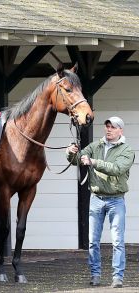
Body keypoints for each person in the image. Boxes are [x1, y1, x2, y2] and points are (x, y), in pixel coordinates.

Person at [66, 116, 135, 288]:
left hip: (116, 200)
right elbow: (77, 160)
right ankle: (95, 275)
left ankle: (117, 277)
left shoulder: (127, 150)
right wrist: (71, 152)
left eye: (113, 127)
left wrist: (93, 162)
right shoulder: (96, 146)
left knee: (117, 241)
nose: (109, 130)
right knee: (92, 241)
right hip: (96, 199)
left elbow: (117, 169)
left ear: (121, 130)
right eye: (107, 126)